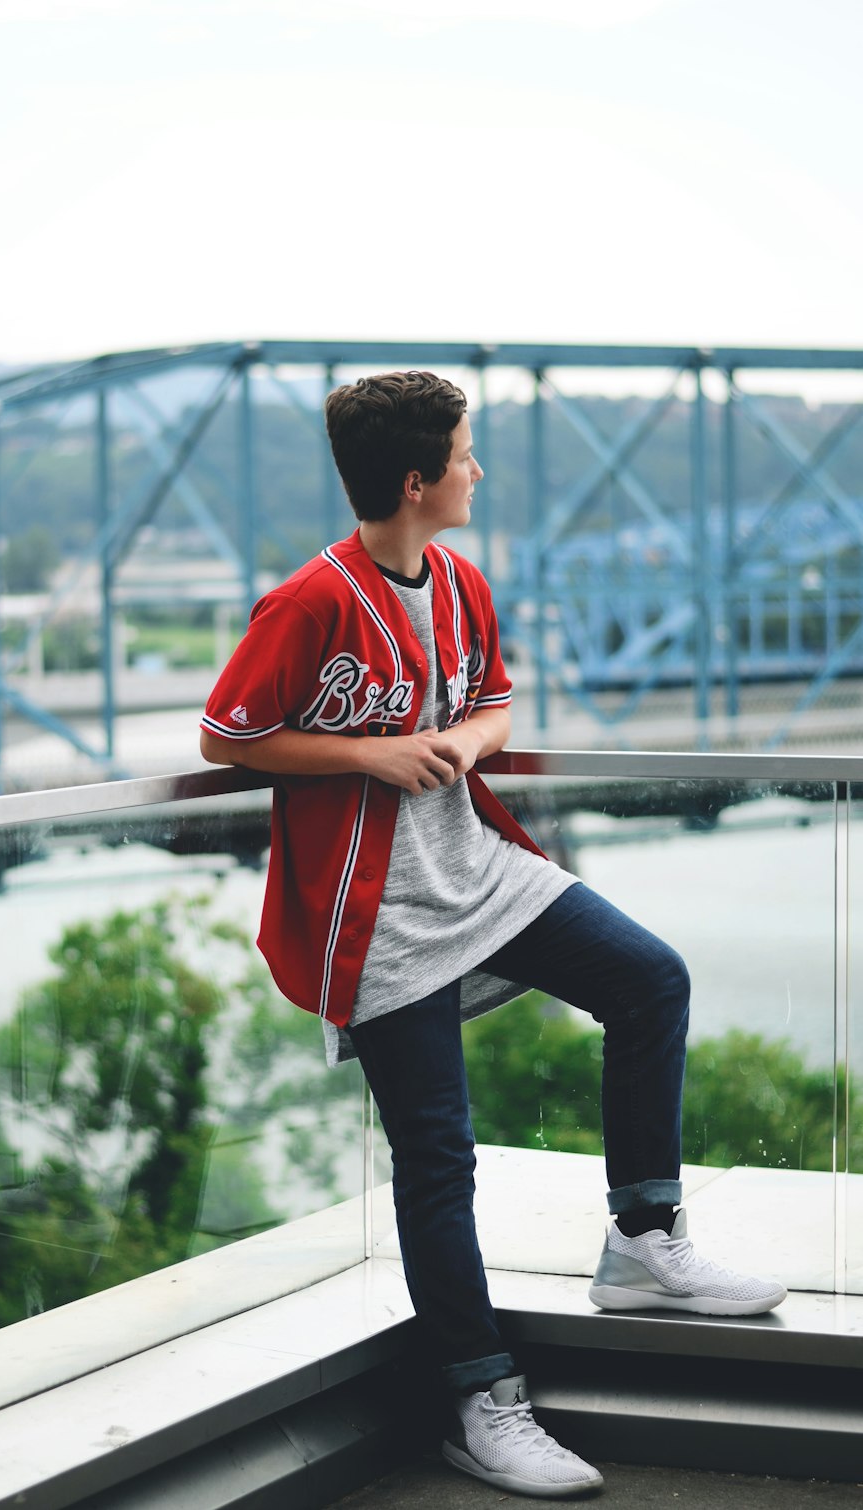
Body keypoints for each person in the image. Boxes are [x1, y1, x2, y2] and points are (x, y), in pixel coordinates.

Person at [199, 370, 786, 1500]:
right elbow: (230, 733)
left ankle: (643, 1237)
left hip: (479, 869)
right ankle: (479, 1398)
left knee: (649, 979)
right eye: (466, 455)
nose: (480, 470)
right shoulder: (307, 605)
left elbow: (499, 701)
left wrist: (463, 739)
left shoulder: (460, 580)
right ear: (417, 480)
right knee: (437, 1157)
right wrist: (365, 752)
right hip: (379, 918)